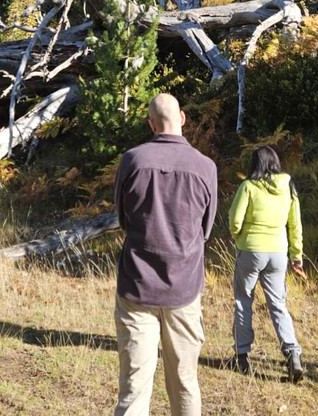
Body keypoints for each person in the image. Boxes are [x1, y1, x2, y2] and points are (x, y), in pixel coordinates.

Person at [113, 93, 218, 416]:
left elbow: (122, 219)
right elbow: (206, 230)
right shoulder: (205, 167)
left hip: (137, 285)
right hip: (184, 287)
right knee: (185, 382)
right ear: (183, 118)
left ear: (151, 124)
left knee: (134, 386)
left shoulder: (132, 161)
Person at [228, 145, 304, 382]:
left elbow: (234, 220)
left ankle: (241, 356)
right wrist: (296, 254)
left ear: (255, 165)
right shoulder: (288, 186)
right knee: (278, 304)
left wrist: (240, 238)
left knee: (243, 301)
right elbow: (295, 224)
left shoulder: (248, 186)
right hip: (278, 253)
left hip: (251, 250)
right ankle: (292, 354)